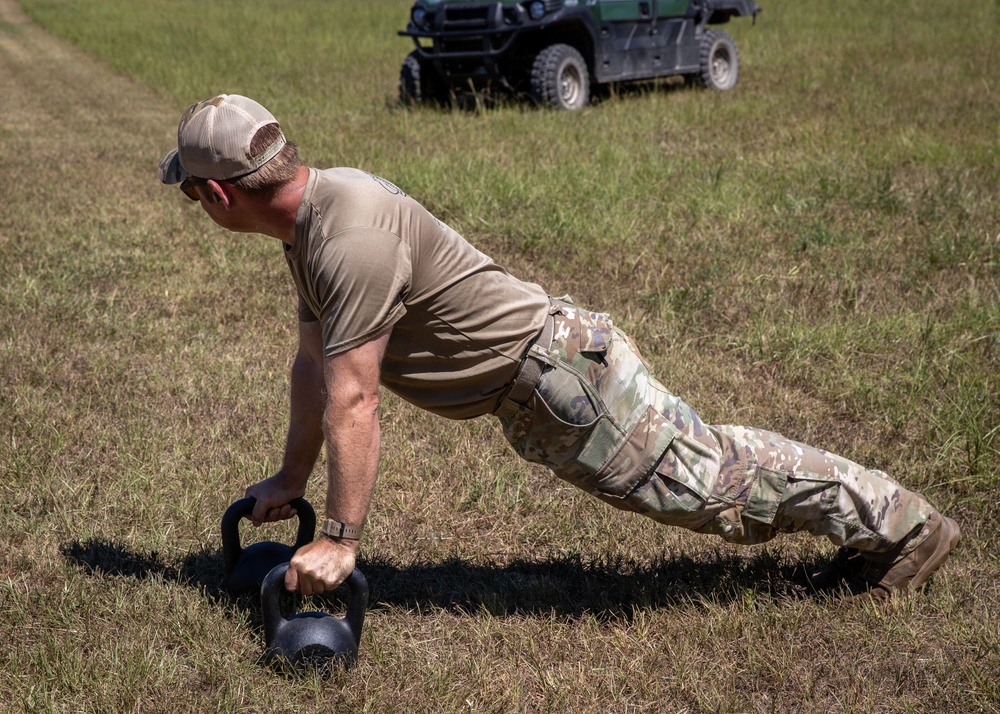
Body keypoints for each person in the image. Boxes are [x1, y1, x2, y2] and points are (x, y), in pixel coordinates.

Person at [159, 94, 960, 602]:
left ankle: (903, 527)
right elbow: (313, 363)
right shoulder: (310, 227)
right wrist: (293, 476)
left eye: (192, 192)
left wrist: (339, 539)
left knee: (714, 484)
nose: (197, 205)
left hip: (561, 378)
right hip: (544, 382)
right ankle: (881, 525)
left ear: (221, 193)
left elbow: (355, 398)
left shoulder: (350, 237)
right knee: (713, 474)